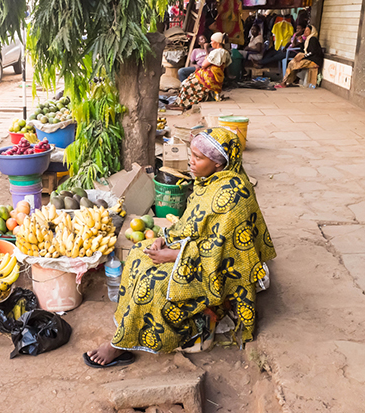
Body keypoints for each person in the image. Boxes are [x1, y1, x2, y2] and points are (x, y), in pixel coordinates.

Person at [84, 128, 277, 367]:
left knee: (153, 282)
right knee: (137, 255)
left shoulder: (234, 194)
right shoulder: (209, 183)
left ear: (218, 164)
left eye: (198, 158)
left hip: (218, 271)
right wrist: (164, 239)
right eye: (191, 154)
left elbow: (226, 253)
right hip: (196, 252)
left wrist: (174, 256)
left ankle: (121, 343)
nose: (191, 162)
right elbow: (192, 224)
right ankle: (130, 325)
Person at [176, 32, 232, 109]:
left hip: (210, 77)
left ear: (217, 42)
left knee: (186, 84)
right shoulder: (225, 52)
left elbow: (203, 65)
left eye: (212, 41)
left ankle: (183, 104)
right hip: (217, 77)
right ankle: (182, 103)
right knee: (186, 77)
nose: (210, 43)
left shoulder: (216, 52)